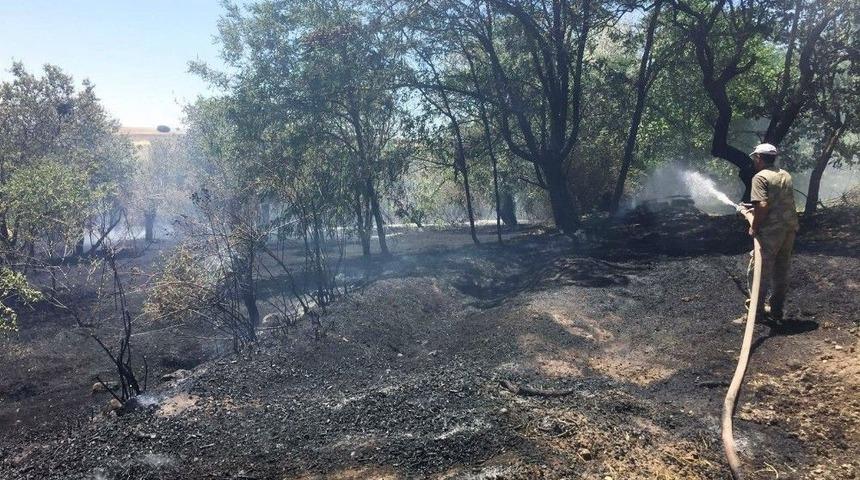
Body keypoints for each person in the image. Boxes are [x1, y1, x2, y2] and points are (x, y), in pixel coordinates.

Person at [736, 143, 799, 323]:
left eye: (755, 158)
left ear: (759, 158)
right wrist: (751, 207)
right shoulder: (784, 174)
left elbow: (763, 205)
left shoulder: (760, 177)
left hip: (771, 232)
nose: (754, 161)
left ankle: (755, 314)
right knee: (781, 270)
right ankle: (777, 310)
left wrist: (754, 226)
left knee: (757, 272)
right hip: (789, 229)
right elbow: (777, 200)